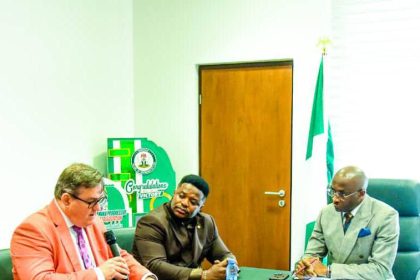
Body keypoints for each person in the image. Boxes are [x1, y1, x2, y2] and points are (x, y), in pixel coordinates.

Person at [10, 163, 157, 280]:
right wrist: (99, 274)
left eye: (100, 200)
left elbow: (118, 256)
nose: (98, 208)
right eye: (92, 201)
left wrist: (145, 276)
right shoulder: (33, 230)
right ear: (67, 200)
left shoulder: (94, 221)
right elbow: (40, 278)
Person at [294, 166, 399, 280]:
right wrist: (306, 266)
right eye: (333, 191)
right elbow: (313, 254)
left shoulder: (386, 216)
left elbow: (380, 270)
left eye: (342, 194)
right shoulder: (326, 212)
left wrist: (328, 270)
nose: (335, 199)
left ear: (361, 194)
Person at [132, 174, 237, 280]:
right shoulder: (151, 222)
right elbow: (155, 265)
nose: (184, 203)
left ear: (201, 207)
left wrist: (229, 266)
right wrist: (203, 275)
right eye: (181, 196)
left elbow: (224, 254)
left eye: (193, 202)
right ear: (174, 193)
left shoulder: (207, 222)